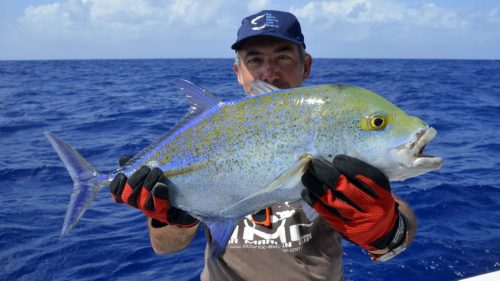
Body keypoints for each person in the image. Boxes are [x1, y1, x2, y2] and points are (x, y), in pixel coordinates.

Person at [109, 10, 417, 281]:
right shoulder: (210, 135)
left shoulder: (327, 126)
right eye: (255, 60)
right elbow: (165, 247)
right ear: (238, 72)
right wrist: (179, 215)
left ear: (306, 66)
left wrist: (388, 227)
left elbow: (396, 216)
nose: (269, 72)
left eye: (283, 57)